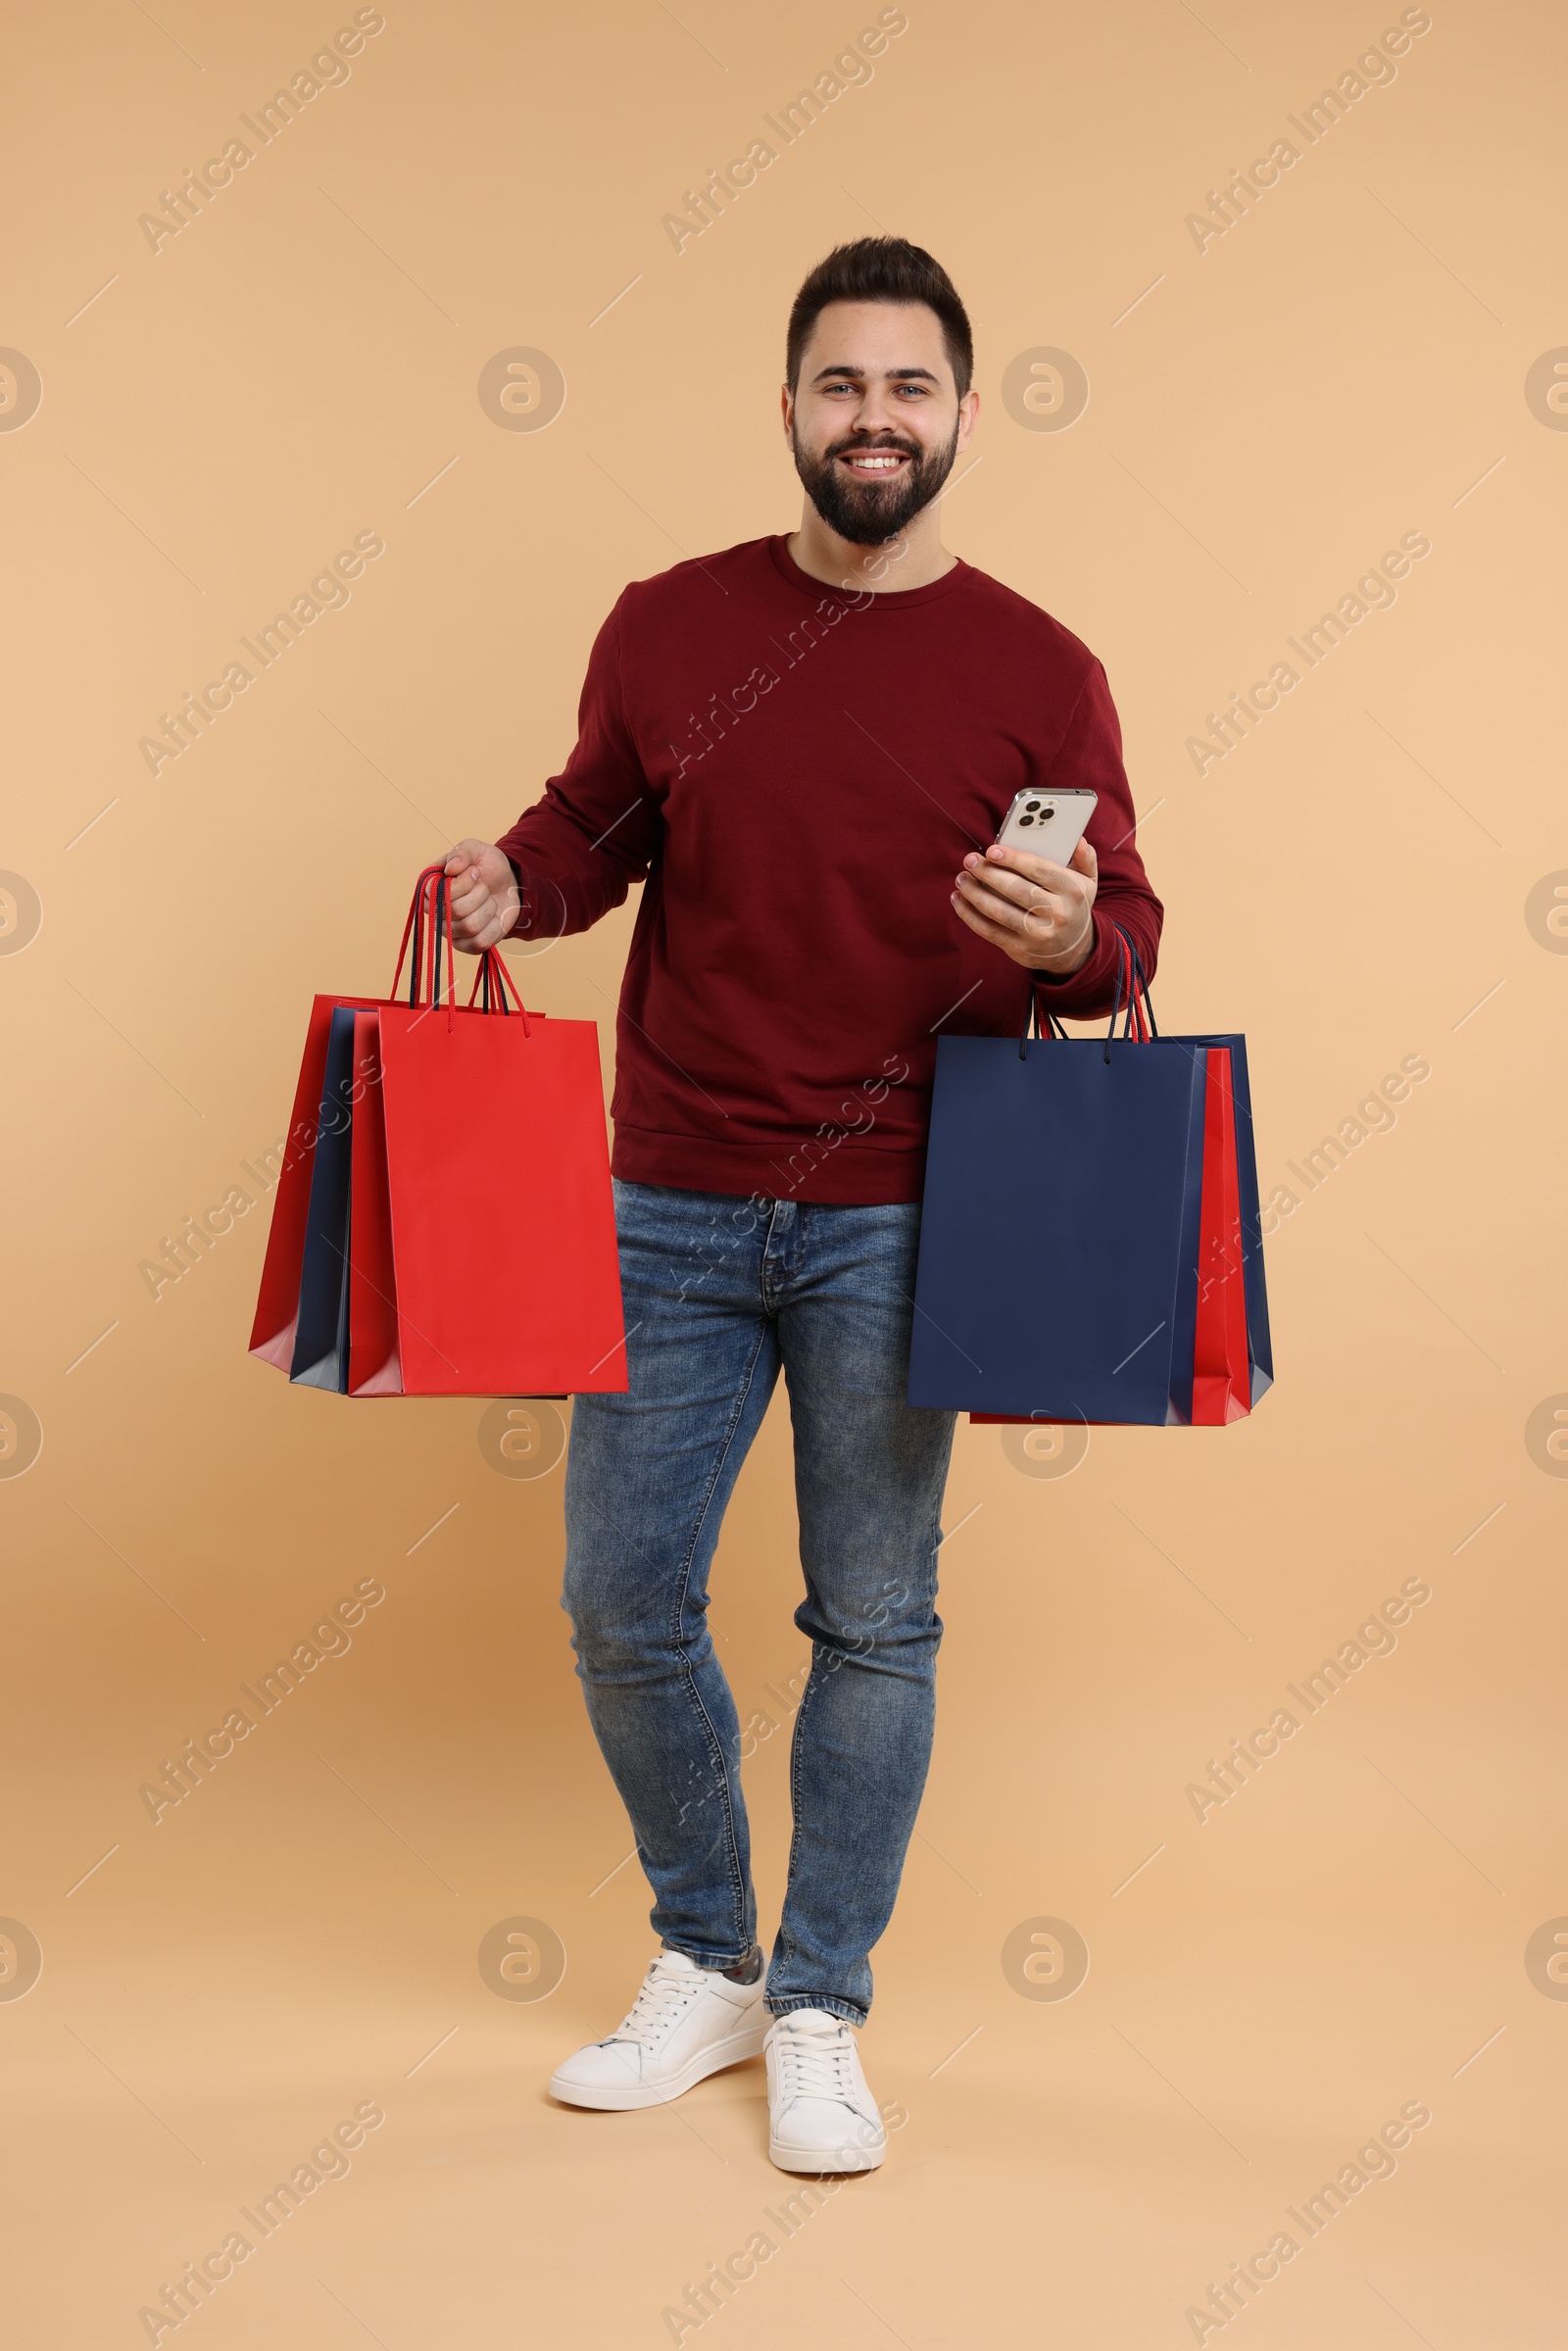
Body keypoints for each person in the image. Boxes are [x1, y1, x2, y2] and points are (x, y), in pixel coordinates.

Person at [443, 237, 1162, 2173]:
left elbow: (1122, 932)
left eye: (906, 388)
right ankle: (709, 1958)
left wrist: (1075, 936)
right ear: (786, 410)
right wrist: (518, 878)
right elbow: (591, 825)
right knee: (618, 1601)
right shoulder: (668, 623)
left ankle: (822, 1997)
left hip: (907, 1210)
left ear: (959, 415)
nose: (871, 419)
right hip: (667, 1190)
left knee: (874, 1618)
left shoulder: (1037, 671)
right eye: (838, 386)